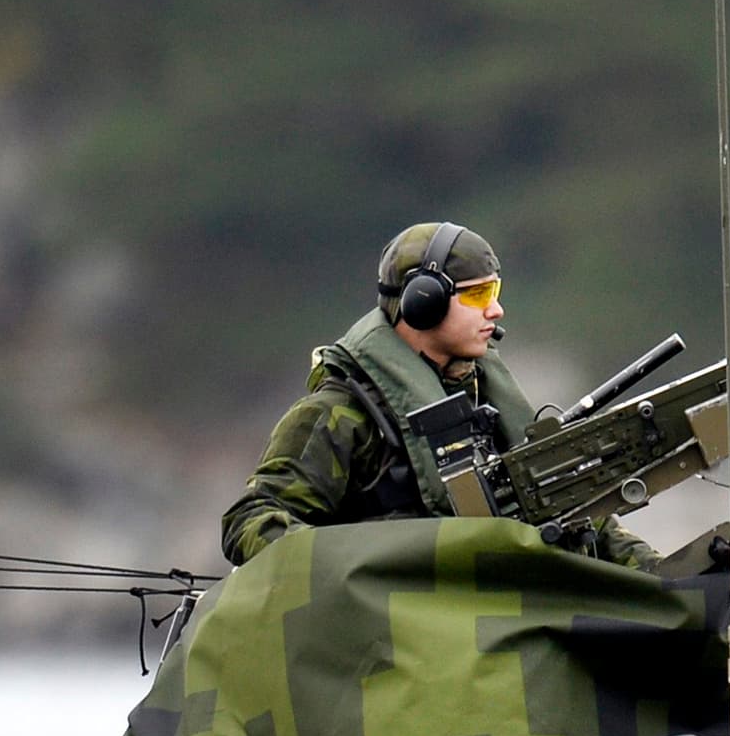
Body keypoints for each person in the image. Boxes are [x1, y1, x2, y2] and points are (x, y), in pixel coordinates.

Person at [220, 222, 656, 568]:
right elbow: (250, 521)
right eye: (478, 295)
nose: (496, 310)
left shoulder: (487, 405)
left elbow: (585, 519)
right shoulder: (339, 415)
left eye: (495, 292)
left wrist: (671, 582)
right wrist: (362, 569)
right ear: (423, 303)